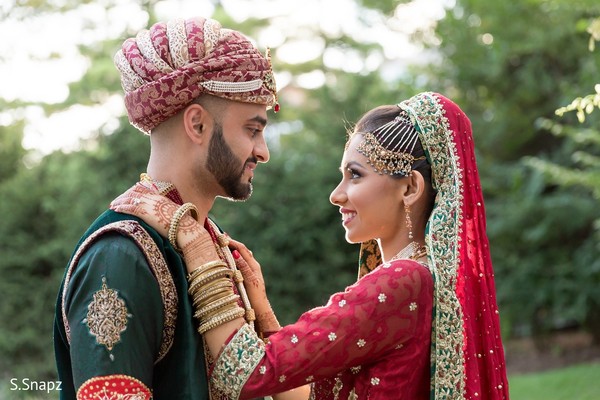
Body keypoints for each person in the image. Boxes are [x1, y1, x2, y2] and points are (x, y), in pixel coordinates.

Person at [111, 91, 510, 399]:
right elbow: (303, 394)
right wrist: (265, 314)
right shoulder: (425, 279)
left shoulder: (403, 282)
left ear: (410, 188)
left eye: (355, 175)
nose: (336, 195)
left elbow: (243, 373)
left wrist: (194, 243)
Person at [53, 15, 300, 400]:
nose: (263, 152)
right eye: (252, 129)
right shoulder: (119, 258)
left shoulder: (212, 243)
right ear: (197, 125)